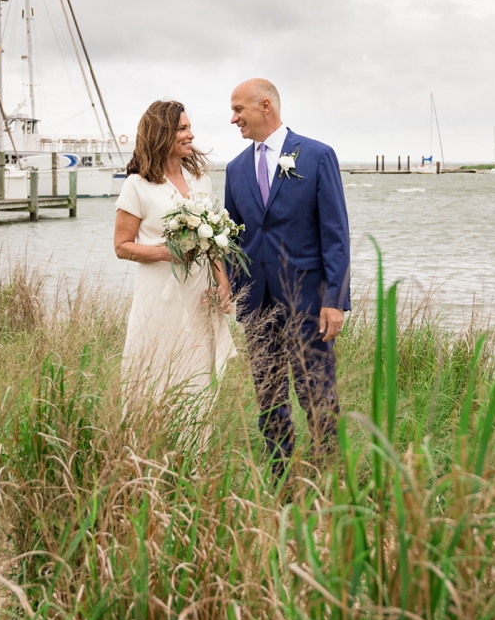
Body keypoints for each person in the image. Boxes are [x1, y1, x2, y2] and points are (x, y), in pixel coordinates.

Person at [223, 78, 350, 474]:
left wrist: (334, 300)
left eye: (238, 109)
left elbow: (336, 234)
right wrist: (231, 288)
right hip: (256, 303)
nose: (233, 119)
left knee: (318, 393)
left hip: (308, 302)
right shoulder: (235, 168)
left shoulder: (316, 156)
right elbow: (233, 236)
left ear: (265, 106)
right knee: (269, 395)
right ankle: (281, 476)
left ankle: (328, 473)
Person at [114, 100, 237, 401]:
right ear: (160, 134)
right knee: (155, 371)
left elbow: (212, 244)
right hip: (159, 296)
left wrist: (222, 284)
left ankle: (194, 447)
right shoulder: (137, 185)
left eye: (189, 127)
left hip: (198, 294)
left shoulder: (201, 180)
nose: (190, 134)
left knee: (197, 375)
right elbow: (121, 246)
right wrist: (166, 253)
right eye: (182, 128)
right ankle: (149, 442)